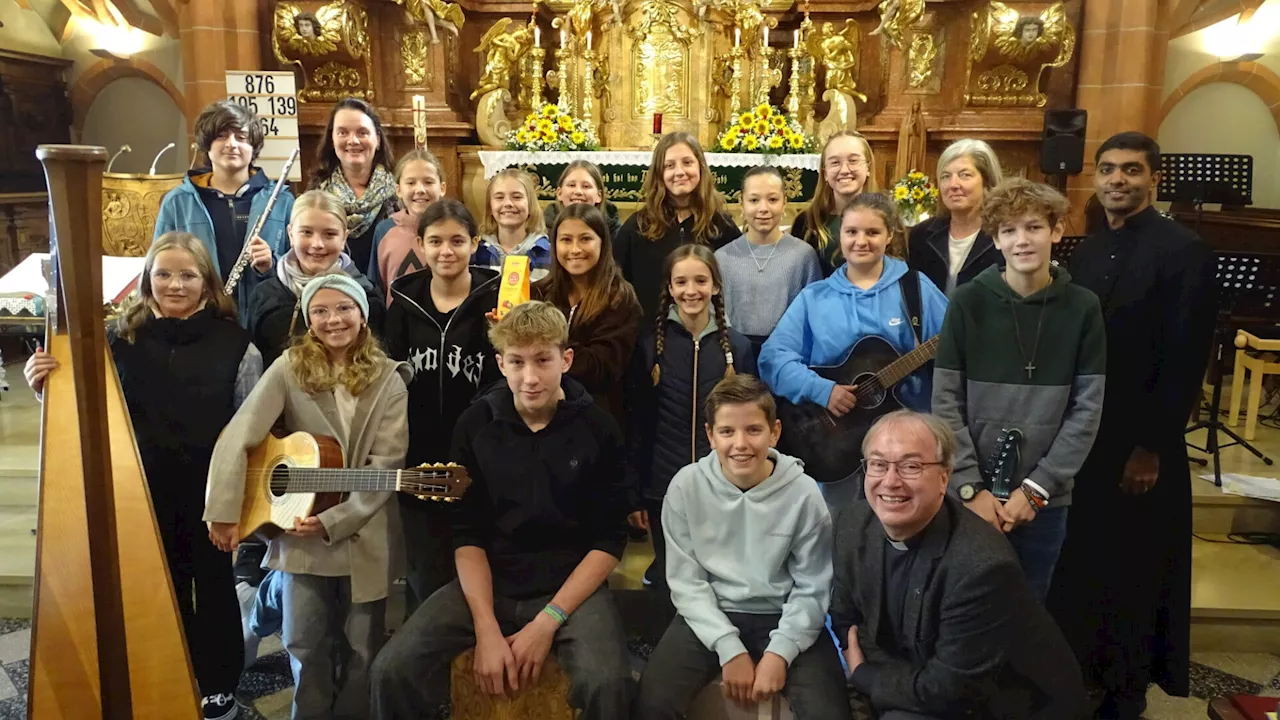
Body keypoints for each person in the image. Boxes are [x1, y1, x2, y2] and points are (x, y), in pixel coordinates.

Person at [26, 232, 263, 720]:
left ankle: (217, 684)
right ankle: (165, 674)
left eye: (187, 275)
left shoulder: (236, 344)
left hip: (209, 492)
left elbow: (249, 430)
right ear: (147, 280)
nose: (175, 285)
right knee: (160, 584)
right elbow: (86, 411)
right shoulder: (118, 339)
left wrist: (237, 501)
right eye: (163, 274)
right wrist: (44, 385)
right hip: (141, 490)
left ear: (207, 282)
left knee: (214, 587)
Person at [369, 301, 634, 720]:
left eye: (543, 360)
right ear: (500, 363)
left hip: (568, 586)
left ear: (566, 360)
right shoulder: (475, 423)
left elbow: (609, 539)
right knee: (391, 669)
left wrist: (548, 621)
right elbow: (466, 532)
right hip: (490, 581)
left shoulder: (598, 428)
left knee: (610, 683)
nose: (530, 378)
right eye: (517, 362)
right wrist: (486, 627)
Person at [1049, 131, 1218, 719]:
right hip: (1088, 435)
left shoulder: (1183, 251)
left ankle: (1126, 689)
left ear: (1154, 179)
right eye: (1108, 170)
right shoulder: (1090, 250)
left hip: (1141, 441)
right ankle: (1086, 675)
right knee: (1089, 559)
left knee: (1136, 571)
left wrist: (1152, 448)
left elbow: (1185, 356)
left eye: (1131, 171)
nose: (1117, 180)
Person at [206, 273, 410, 720]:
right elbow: (238, 435)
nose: (333, 319)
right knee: (304, 642)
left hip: (365, 528)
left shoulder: (390, 378)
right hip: (299, 532)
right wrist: (223, 511)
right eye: (321, 310)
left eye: (344, 308)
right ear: (307, 317)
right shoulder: (288, 368)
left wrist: (337, 520)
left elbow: (387, 465)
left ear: (363, 314)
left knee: (362, 648)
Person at [831, 410, 1087, 720]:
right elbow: (847, 619)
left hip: (1000, 702)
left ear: (944, 477)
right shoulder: (850, 524)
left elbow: (948, 688)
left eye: (911, 466)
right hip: (920, 673)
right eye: (878, 464)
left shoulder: (981, 567)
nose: (890, 481)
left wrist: (866, 676)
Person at [633, 375, 849, 720]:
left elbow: (814, 585)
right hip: (707, 613)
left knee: (830, 713)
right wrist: (729, 648)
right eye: (727, 432)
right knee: (651, 705)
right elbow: (686, 582)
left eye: (753, 430)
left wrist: (780, 652)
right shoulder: (686, 487)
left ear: (774, 432)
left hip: (784, 613)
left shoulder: (804, 493)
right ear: (710, 435)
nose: (740, 444)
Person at [931, 178, 1106, 601]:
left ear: (1057, 231)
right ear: (995, 239)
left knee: (1029, 609)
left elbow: (1086, 409)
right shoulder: (969, 301)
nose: (1022, 241)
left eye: (1033, 227)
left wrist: (1037, 489)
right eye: (1009, 231)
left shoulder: (1083, 307)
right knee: (966, 605)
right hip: (973, 496)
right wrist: (972, 487)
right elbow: (945, 402)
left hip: (1044, 498)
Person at [759, 193, 947, 496]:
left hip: (904, 446)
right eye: (852, 232)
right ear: (840, 236)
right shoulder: (815, 297)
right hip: (834, 445)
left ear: (889, 236)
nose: (861, 241)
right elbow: (772, 358)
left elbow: (953, 348)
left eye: (872, 232)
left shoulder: (915, 288)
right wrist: (822, 389)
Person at [384, 198, 501, 617]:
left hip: (478, 460)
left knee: (476, 561)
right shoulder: (404, 306)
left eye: (457, 241)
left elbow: (503, 382)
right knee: (424, 570)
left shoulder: (497, 301)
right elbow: (390, 379)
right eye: (435, 241)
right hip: (416, 458)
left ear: (475, 243)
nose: (446, 251)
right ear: (420, 244)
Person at [626, 245, 755, 589]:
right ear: (669, 288)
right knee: (671, 574)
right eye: (680, 282)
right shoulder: (649, 347)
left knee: (719, 574)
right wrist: (637, 492)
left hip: (723, 483)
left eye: (700, 280)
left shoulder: (738, 348)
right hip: (662, 483)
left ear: (715, 286)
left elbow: (750, 422)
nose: (691, 290)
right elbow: (637, 421)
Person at [154, 99, 293, 321]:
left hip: (266, 319)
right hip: (200, 322)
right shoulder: (177, 202)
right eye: (221, 136)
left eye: (241, 137)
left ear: (253, 147)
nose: (232, 144)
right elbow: (157, 267)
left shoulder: (282, 200)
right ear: (206, 145)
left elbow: (298, 264)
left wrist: (271, 264)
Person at [533, 203, 642, 425]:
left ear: (602, 243)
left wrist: (545, 335)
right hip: (543, 416)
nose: (575, 249)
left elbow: (600, 369)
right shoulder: (540, 291)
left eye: (585, 239)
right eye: (566, 240)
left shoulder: (620, 299)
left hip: (597, 420)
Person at [248, 189, 383, 368]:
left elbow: (376, 362)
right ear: (290, 234)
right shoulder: (265, 295)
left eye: (329, 234)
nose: (317, 244)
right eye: (306, 232)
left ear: (344, 238)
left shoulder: (366, 296)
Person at [614, 132, 740, 320]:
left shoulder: (722, 225)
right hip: (648, 337)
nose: (680, 172)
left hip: (708, 336)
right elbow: (616, 283)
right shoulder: (638, 226)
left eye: (687, 162)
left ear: (701, 167)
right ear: (659, 173)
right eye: (670, 165)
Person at [716, 166, 822, 357]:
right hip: (734, 351)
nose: (763, 208)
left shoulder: (803, 255)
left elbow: (813, 313)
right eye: (754, 200)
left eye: (772, 199)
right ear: (741, 203)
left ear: (784, 203)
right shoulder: (723, 257)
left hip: (787, 354)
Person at [308, 97, 399, 275]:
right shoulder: (316, 193)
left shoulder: (398, 191)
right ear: (332, 140)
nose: (353, 141)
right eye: (343, 132)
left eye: (362, 132)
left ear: (378, 139)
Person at [906, 139, 1003, 296]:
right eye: (945, 176)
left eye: (965, 175)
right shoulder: (921, 235)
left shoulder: (1005, 234)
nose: (953, 184)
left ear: (987, 182)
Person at [789, 130, 877, 277]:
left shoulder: (886, 218)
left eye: (853, 160)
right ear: (825, 173)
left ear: (868, 167)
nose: (844, 170)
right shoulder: (806, 222)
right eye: (835, 162)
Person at [367, 149, 447, 304]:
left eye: (428, 182)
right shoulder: (385, 230)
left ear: (442, 188)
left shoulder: (454, 229)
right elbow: (376, 287)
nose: (420, 190)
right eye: (411, 183)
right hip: (397, 323)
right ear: (398, 190)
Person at [472, 168, 552, 280]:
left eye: (517, 197)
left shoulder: (547, 252)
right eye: (499, 197)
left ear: (530, 205)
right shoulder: (476, 252)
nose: (508, 203)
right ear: (490, 207)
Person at [543, 159, 623, 241]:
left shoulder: (617, 233)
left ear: (599, 195)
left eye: (586, 186)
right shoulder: (544, 229)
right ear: (559, 193)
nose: (578, 191)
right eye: (571, 185)